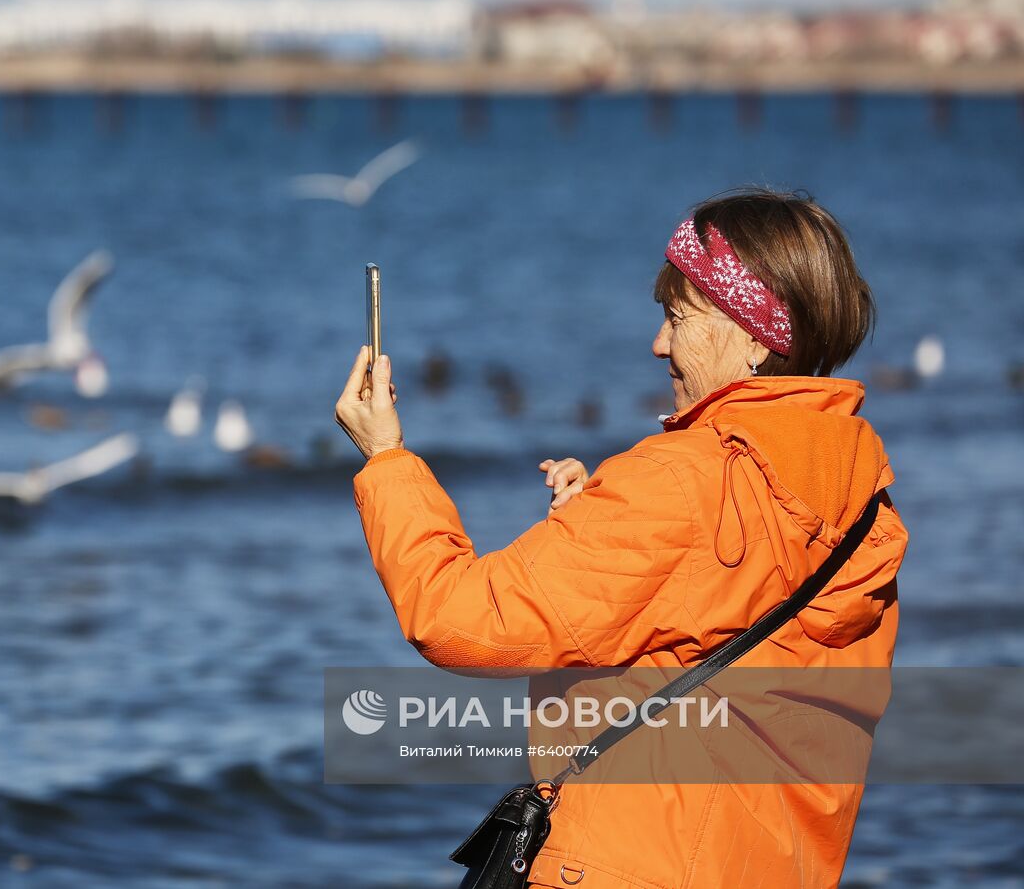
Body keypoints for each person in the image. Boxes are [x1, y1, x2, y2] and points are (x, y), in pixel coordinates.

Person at [335, 189, 907, 888]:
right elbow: (740, 680)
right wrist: (591, 531)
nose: (659, 343)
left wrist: (387, 460)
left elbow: (456, 618)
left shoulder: (684, 480)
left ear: (757, 336)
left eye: (678, 317)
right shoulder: (862, 509)